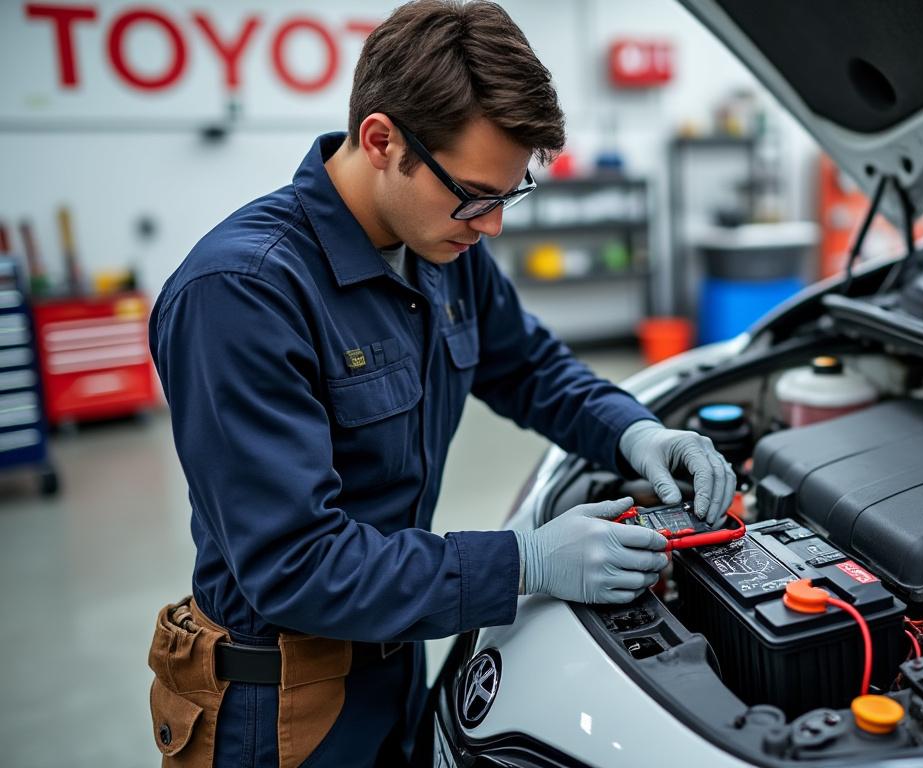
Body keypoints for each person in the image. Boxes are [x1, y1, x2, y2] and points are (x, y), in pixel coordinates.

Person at [144, 2, 734, 765]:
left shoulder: (437, 245)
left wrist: (636, 430)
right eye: (476, 195)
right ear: (382, 140)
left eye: (507, 197)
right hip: (282, 708)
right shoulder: (242, 294)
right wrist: (520, 563)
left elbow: (529, 366)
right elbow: (295, 564)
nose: (491, 227)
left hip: (397, 659)